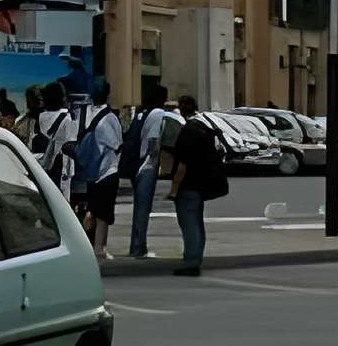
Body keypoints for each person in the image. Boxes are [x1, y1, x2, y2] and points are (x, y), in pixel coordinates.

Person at [166, 97, 226, 276]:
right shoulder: (202, 129)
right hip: (200, 185)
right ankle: (196, 258)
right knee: (198, 224)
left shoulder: (187, 132)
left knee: (189, 224)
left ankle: (190, 261)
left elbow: (182, 167)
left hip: (188, 186)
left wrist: (173, 190)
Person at [125, 92, 179, 258]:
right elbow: (153, 142)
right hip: (146, 165)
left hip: (135, 164)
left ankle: (136, 245)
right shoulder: (157, 114)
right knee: (143, 208)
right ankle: (139, 247)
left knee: (139, 207)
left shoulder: (142, 113)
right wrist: (157, 165)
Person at [68, 96, 124, 245]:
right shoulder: (109, 118)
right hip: (106, 171)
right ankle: (98, 247)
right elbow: (117, 144)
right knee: (102, 215)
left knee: (92, 211)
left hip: (89, 173)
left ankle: (81, 242)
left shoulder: (82, 115)